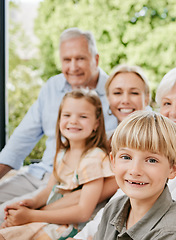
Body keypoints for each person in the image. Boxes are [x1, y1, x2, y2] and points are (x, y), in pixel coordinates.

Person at [71, 66, 176, 240]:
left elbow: (164, 208)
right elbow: (119, 206)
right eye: (167, 103)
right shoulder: (122, 199)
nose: (174, 112)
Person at [0, 27, 118, 223]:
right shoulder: (52, 87)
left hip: (76, 185)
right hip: (42, 174)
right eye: (66, 60)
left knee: (5, 217)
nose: (73, 67)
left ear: (96, 59)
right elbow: (19, 142)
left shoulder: (116, 91)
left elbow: (145, 125)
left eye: (80, 59)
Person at [0, 89, 114, 240]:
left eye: (83, 116)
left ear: (96, 124)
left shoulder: (93, 158)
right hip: (50, 216)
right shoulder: (62, 153)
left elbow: (83, 212)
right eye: (67, 115)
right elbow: (49, 190)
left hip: (71, 225)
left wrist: (32, 215)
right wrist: (32, 202)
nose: (73, 121)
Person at [94, 110, 176, 240]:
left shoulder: (170, 233)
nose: (135, 170)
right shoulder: (113, 208)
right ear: (113, 161)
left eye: (151, 160)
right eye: (126, 157)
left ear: (173, 168)